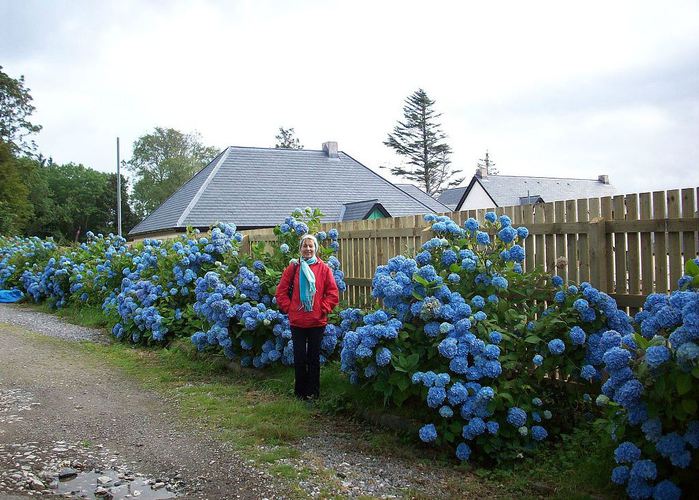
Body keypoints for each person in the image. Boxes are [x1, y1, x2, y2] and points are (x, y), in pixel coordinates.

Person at [275, 234, 339, 400]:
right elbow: (281, 291)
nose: (308, 249)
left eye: (311, 246)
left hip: (317, 321)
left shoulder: (324, 269)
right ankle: (300, 393)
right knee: (299, 358)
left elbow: (332, 293)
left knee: (313, 358)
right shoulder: (293, 268)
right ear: (300, 248)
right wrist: (290, 308)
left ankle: (313, 393)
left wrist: (322, 309)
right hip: (297, 321)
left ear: (315, 248)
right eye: (305, 246)